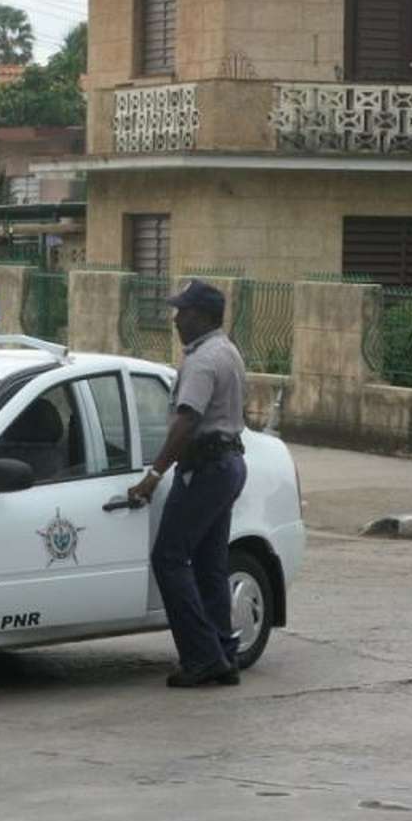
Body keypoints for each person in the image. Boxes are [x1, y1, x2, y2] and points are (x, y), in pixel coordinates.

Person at [127, 279, 248, 688]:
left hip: (206, 468)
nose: (176, 319)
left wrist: (154, 475)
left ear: (203, 316)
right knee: (210, 565)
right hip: (226, 464)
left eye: (183, 312)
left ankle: (202, 657)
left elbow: (187, 420)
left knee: (169, 558)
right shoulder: (226, 350)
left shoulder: (202, 360)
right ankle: (223, 653)